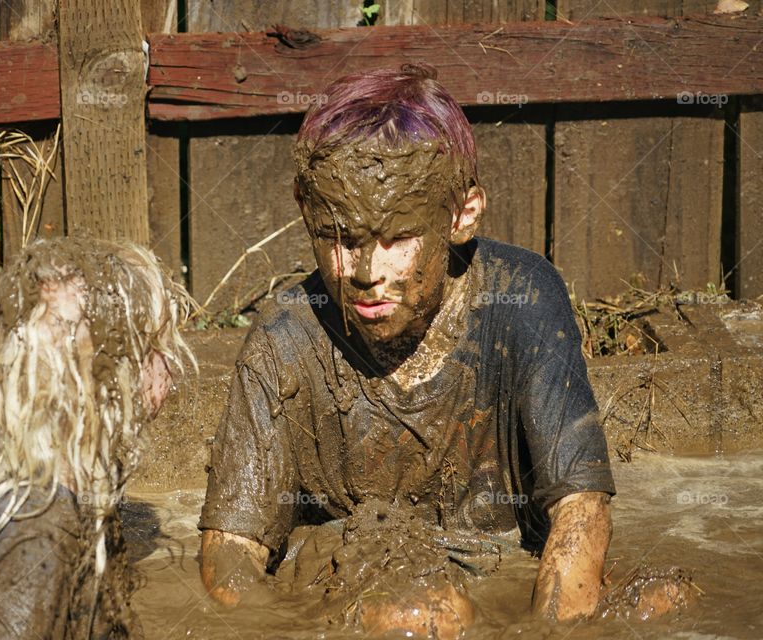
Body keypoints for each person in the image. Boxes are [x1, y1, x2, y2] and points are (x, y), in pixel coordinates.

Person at [198, 63, 617, 637]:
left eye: (396, 239)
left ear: (461, 215)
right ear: (305, 209)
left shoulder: (522, 298)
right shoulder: (286, 337)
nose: (368, 272)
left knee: (666, 596)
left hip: (500, 569)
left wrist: (551, 631)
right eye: (341, 237)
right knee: (417, 618)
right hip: (356, 586)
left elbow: (581, 510)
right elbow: (230, 553)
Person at [0, 237, 195, 640]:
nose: (171, 369)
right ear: (104, 376)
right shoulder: (34, 538)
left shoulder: (50, 498)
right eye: (157, 347)